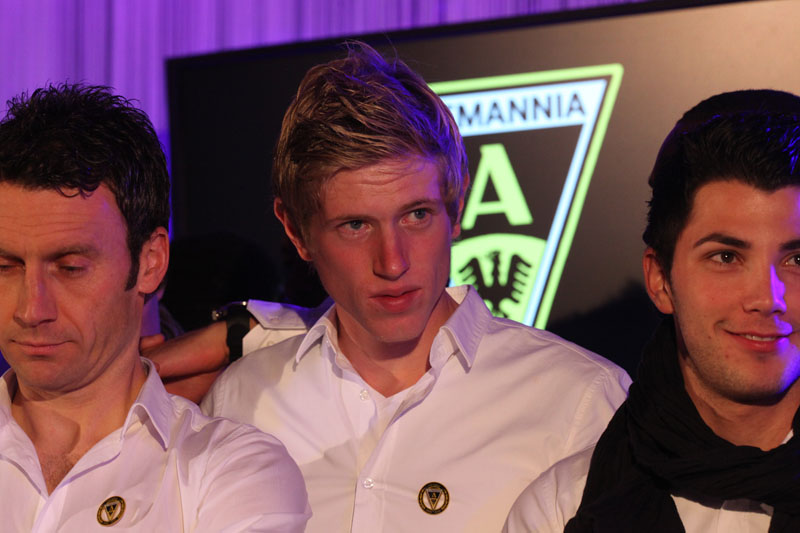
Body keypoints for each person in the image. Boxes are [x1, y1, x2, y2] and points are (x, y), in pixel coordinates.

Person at [147, 42, 630, 532]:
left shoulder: (580, 402)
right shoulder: (241, 400)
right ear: (296, 231)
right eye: (355, 225)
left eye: (417, 215)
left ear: (457, 207)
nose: (393, 262)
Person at [0, 83, 310, 531]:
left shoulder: (229, 469)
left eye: (69, 268)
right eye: (5, 266)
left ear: (150, 262)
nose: (31, 309)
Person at [506, 89, 800, 532]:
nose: (767, 297)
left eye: (797, 259)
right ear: (660, 279)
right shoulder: (564, 507)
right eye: (726, 257)